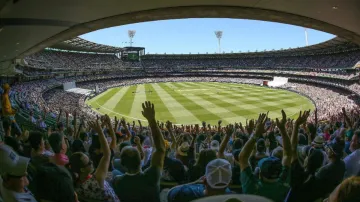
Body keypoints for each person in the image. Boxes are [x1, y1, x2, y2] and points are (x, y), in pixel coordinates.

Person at [239, 110, 309, 202]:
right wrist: (283, 129)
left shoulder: (251, 188)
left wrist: (256, 133)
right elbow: (288, 154)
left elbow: (242, 158)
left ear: (259, 174)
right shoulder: (284, 184)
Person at [113, 101, 166, 202]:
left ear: (122, 164)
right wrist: (152, 120)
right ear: (141, 158)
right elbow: (161, 149)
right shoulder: (152, 176)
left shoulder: (117, 181)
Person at [68, 115, 119, 202]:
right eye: (89, 163)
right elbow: (107, 154)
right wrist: (100, 131)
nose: (91, 162)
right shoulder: (97, 180)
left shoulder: (75, 186)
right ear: (82, 170)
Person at [167, 158, 233, 202]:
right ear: (229, 183)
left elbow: (170, 193)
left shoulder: (183, 194)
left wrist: (194, 182)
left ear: (204, 180)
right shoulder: (232, 198)